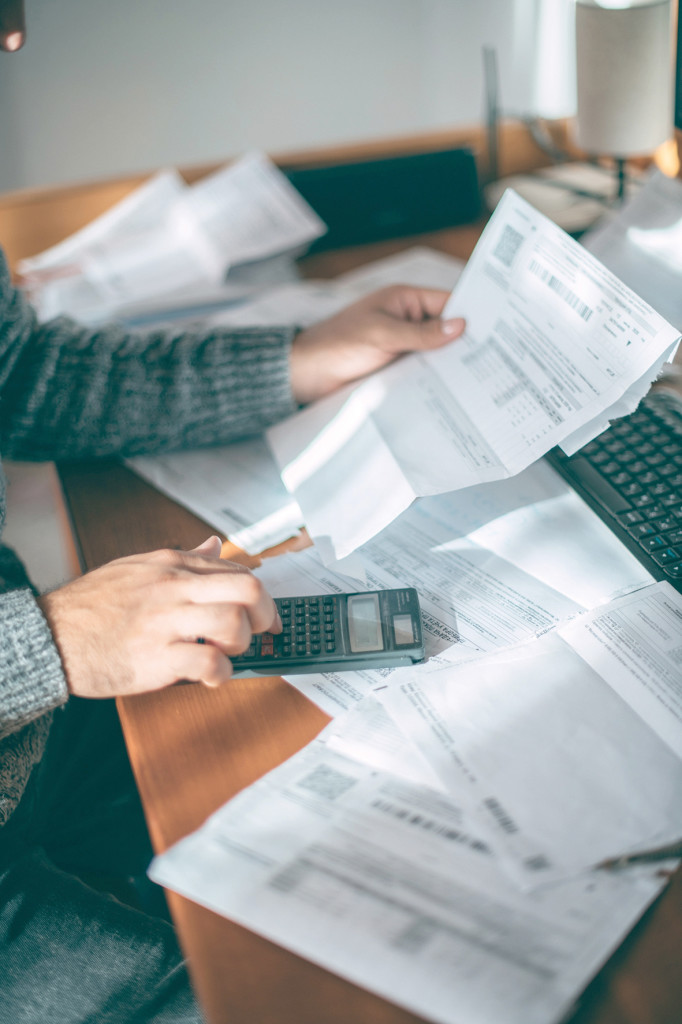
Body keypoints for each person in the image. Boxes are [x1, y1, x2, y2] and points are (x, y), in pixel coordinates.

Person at [0, 13, 466, 1015]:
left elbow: (19, 375)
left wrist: (294, 360)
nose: (11, 50)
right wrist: (44, 642)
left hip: (31, 737)